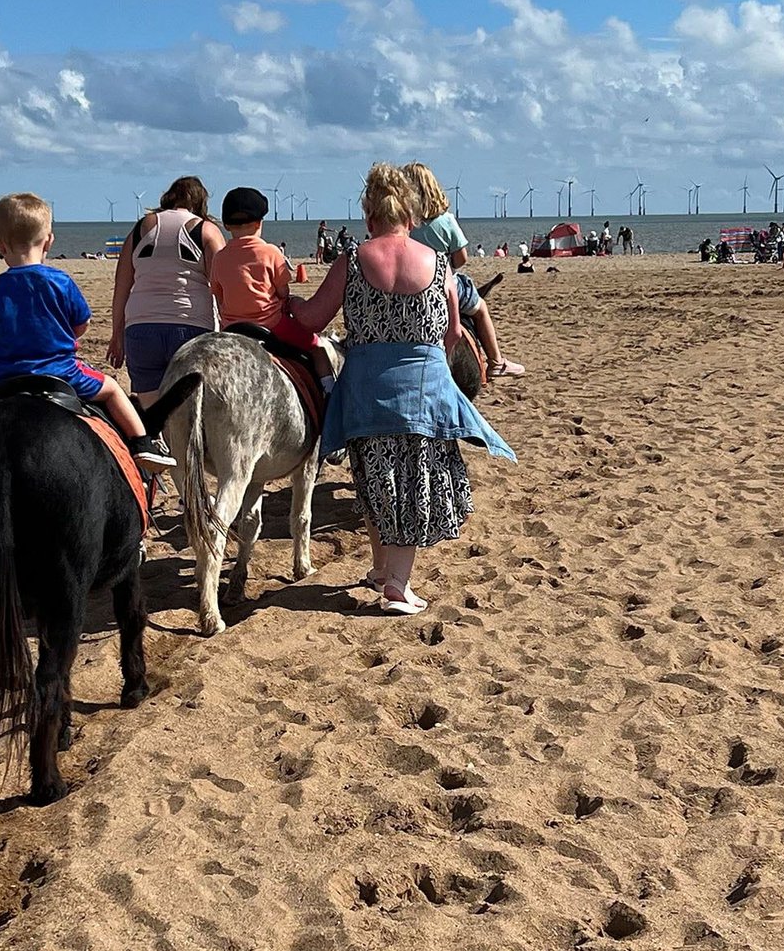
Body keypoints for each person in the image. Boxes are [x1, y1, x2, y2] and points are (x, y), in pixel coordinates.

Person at [291, 163, 513, 615]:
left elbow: (313, 319)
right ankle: (397, 582)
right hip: (422, 392)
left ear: (369, 217)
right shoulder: (437, 266)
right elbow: (452, 335)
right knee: (413, 484)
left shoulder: (351, 261)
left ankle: (384, 571)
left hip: (365, 390)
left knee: (377, 481)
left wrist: (289, 301)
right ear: (411, 218)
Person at [0, 193, 175, 472]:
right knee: (112, 389)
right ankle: (142, 444)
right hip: (62, 372)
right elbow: (81, 324)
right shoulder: (61, 281)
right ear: (49, 240)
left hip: (7, 377)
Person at [108, 176, 224, 406]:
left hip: (141, 328)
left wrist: (117, 335)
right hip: (190, 325)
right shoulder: (206, 230)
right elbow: (222, 286)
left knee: (152, 414)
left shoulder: (141, 228)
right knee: (188, 411)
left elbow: (121, 287)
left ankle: (155, 442)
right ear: (201, 201)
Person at [402, 163, 525, 377]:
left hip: (410, 286)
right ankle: (496, 361)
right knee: (480, 309)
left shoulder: (404, 225)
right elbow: (461, 258)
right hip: (444, 285)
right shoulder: (446, 221)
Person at [210, 187, 335, 391]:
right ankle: (330, 394)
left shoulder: (219, 257)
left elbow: (218, 294)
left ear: (226, 225)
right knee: (317, 349)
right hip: (272, 325)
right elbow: (283, 292)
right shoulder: (271, 252)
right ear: (260, 223)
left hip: (231, 329)